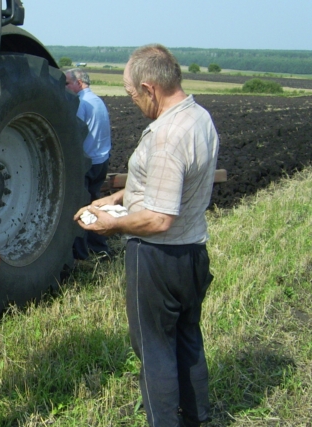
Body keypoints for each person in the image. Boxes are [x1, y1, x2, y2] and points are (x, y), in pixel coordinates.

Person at [74, 44, 219, 427]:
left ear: (149, 88)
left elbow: (157, 219)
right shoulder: (198, 117)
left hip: (158, 258)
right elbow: (165, 184)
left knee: (154, 350)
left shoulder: (168, 136)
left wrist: (109, 223)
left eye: (132, 94)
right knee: (188, 339)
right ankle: (197, 417)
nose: (134, 101)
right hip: (193, 252)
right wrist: (116, 196)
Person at [65, 68, 113, 259]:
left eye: (67, 83)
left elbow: (74, 134)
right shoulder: (97, 101)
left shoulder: (82, 103)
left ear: (79, 83)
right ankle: (99, 248)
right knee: (96, 204)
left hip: (89, 164)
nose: (66, 88)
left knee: (81, 209)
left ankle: (81, 254)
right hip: (102, 161)